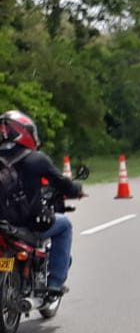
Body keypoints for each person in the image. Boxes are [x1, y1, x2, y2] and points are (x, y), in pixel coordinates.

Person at [0, 110, 84, 294]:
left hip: (3, 224)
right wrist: (77, 190)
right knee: (64, 226)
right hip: (28, 224)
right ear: (25, 132)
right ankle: (55, 282)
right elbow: (62, 183)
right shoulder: (36, 159)